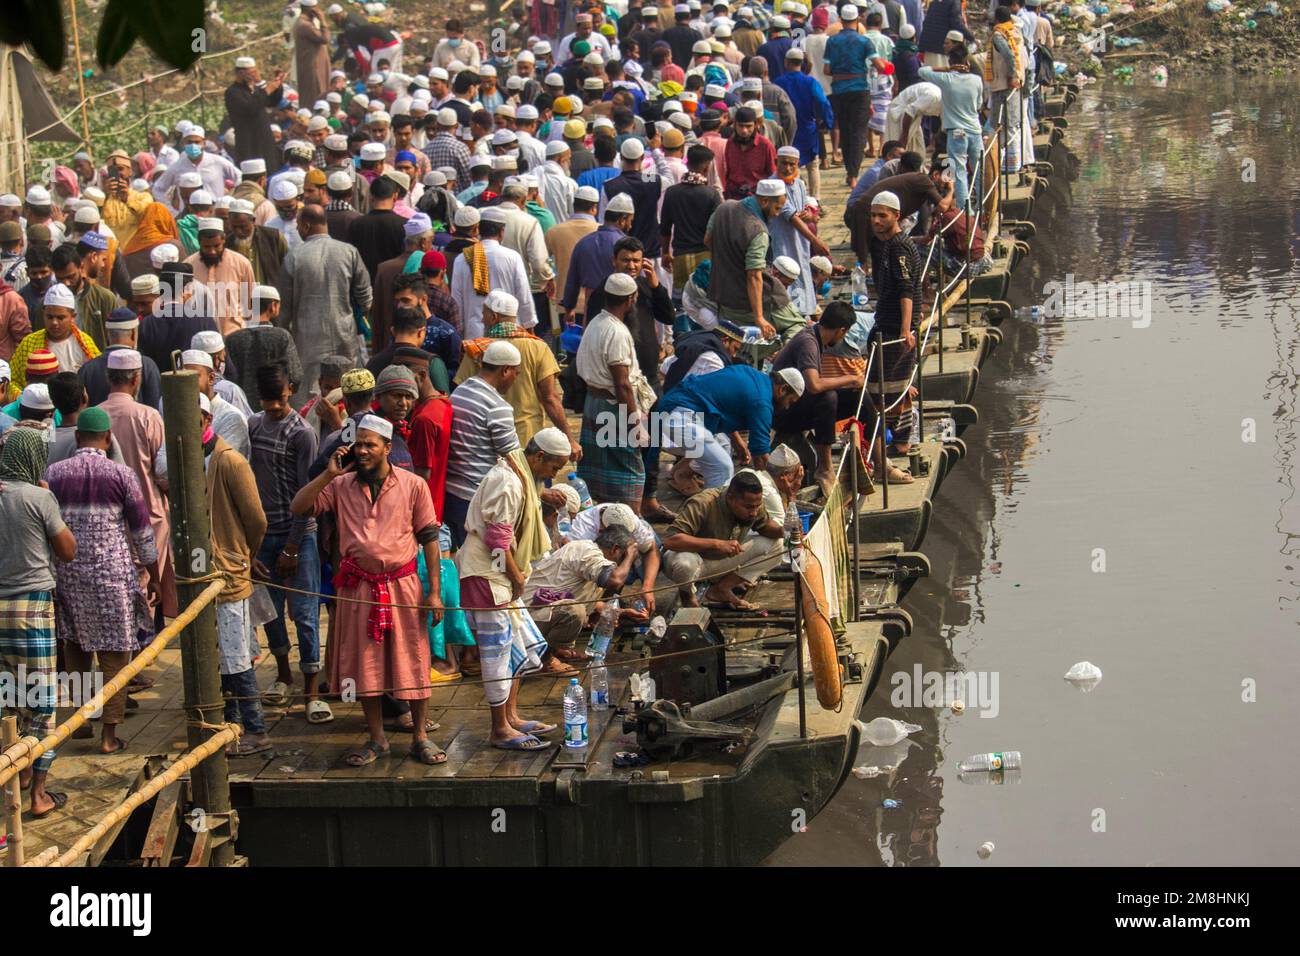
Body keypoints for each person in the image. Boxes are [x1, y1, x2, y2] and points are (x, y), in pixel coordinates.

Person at [290, 414, 445, 766]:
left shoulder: (412, 485)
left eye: (369, 445)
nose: (361, 451)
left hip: (404, 587)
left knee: (414, 661)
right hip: (358, 587)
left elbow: (431, 540)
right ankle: (377, 739)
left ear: (387, 448)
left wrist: (434, 592)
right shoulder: (340, 485)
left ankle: (420, 736)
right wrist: (329, 473)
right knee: (365, 665)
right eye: (358, 444)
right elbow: (299, 507)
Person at [45, 406, 158, 755]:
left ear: (78, 437)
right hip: (112, 575)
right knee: (115, 654)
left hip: (70, 574)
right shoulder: (121, 475)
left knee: (75, 647)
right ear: (108, 439)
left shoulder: (54, 473)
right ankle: (109, 736)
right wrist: (153, 572)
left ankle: (79, 720)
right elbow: (141, 530)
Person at [455, 429, 570, 751]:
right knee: (496, 654)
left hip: (499, 576)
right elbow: (496, 540)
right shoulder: (507, 482)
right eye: (554, 466)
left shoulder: (521, 476)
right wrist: (517, 576)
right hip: (485, 574)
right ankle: (499, 729)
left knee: (519, 642)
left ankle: (512, 716)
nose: (554, 474)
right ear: (538, 457)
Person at [0, 429, 77, 818]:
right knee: (43, 705)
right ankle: (39, 795)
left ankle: (18, 776)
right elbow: (67, 550)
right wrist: (48, 500)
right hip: (30, 610)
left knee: (7, 702)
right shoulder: (38, 497)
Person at [247, 363, 326, 718]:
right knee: (270, 611)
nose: (273, 407)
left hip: (299, 535)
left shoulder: (302, 433)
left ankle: (311, 689)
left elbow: (306, 497)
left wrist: (293, 546)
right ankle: (282, 674)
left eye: (277, 400)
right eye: (266, 401)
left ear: (290, 390)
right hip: (265, 535)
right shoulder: (253, 425)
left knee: (306, 613)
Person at [98, 348, 176, 620]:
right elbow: (163, 473)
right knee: (145, 589)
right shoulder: (148, 416)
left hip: (107, 517)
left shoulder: (96, 416)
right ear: (136, 379)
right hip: (149, 514)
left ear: (110, 379)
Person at [455, 291, 574, 454]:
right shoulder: (538, 348)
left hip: (487, 442)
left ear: (494, 318)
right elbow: (551, 399)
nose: (482, 320)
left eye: (484, 314)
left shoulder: (477, 350)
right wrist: (570, 440)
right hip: (529, 442)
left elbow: (463, 397)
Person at [576, 272, 654, 510]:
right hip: (613, 408)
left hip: (595, 402)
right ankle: (631, 520)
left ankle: (605, 517)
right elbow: (622, 384)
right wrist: (635, 424)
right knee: (631, 471)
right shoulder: (617, 332)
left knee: (598, 474)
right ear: (631, 299)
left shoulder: (594, 324)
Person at [771, 302, 865, 497]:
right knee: (827, 397)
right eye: (845, 334)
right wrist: (852, 378)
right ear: (841, 330)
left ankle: (879, 462)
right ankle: (825, 467)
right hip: (783, 411)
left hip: (795, 403)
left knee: (860, 399)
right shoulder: (808, 342)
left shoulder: (813, 337)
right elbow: (814, 385)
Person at [282, 204, 373, 403]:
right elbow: (365, 295)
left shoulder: (294, 257)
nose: (297, 230)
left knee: (308, 395)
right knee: (348, 390)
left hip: (307, 341)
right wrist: (357, 315)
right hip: (345, 335)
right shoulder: (349, 252)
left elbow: (285, 310)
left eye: (298, 225)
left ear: (306, 226)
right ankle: (347, 430)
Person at [660, 471, 784, 610]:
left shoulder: (753, 504)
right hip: (695, 561)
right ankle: (687, 596)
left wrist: (784, 531)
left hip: (718, 561)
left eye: (757, 506)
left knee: (777, 544)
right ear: (730, 498)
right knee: (684, 564)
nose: (754, 512)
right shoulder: (703, 503)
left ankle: (722, 588)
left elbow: (764, 526)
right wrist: (716, 544)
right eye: (749, 507)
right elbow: (670, 541)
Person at [527, 525, 639, 675]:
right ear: (615, 549)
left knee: (576, 608)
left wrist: (621, 612)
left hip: (537, 616)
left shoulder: (590, 556)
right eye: (623, 555)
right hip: (527, 618)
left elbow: (593, 604)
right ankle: (546, 661)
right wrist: (630, 556)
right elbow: (614, 580)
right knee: (574, 610)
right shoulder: (587, 551)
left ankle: (553, 650)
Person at [864, 191, 922, 471]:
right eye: (873, 215)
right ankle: (900, 440)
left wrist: (905, 329)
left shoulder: (899, 246)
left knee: (882, 388)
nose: (876, 220)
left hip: (895, 328)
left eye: (882, 215)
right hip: (885, 321)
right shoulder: (883, 244)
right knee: (893, 385)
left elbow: (906, 289)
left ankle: (896, 441)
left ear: (896, 216)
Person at [444, 340, 522, 547]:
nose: (517, 378)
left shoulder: (460, 391)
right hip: (477, 498)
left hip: (451, 492)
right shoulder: (498, 407)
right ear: (505, 370)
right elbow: (515, 460)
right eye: (517, 372)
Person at [704, 179, 789, 338]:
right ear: (764, 201)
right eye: (777, 208)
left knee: (731, 343)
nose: (777, 214)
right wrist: (759, 317)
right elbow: (754, 275)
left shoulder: (724, 207)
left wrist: (727, 258)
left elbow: (707, 240)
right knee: (796, 327)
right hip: (746, 303)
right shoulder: (758, 230)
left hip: (722, 294)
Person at [919, 45, 986, 212]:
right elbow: (978, 105)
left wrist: (946, 68)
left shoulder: (946, 79)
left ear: (951, 61)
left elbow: (923, 71)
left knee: (959, 172)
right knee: (979, 169)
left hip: (956, 132)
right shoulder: (976, 80)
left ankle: (966, 210)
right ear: (967, 61)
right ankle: (983, 205)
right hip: (974, 130)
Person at [449, 207, 534, 337]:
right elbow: (523, 295)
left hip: (474, 336)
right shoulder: (512, 257)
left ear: (478, 230)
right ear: (502, 232)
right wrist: (529, 324)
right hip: (507, 332)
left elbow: (457, 299)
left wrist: (459, 331)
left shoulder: (462, 259)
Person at [9, 284, 101, 392]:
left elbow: (97, 379)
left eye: (60, 317)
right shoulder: (29, 343)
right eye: (50, 317)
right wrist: (26, 398)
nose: (54, 323)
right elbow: (12, 380)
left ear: (73, 317)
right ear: (43, 314)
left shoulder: (85, 344)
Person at [559, 192, 635, 320]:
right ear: (622, 220)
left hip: (591, 310)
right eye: (630, 221)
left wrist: (569, 308)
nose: (631, 225)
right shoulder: (627, 246)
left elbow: (572, 282)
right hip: (620, 309)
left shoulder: (584, 243)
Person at [773, 48, 836, 196]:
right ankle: (816, 200)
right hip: (808, 128)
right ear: (802, 63)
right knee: (812, 166)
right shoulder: (810, 82)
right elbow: (823, 102)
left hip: (786, 131)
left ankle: (795, 198)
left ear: (786, 62)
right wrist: (827, 122)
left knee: (790, 165)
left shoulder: (778, 82)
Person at [223, 286, 303, 401]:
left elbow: (228, 377)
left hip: (241, 408)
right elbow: (295, 376)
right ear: (273, 306)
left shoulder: (233, 339)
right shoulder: (282, 336)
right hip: (275, 408)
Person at [79, 309, 162, 409]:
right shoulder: (147, 365)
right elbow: (154, 407)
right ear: (133, 334)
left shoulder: (87, 369)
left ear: (107, 334)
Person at [186, 218, 256, 336]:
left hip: (235, 333)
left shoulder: (241, 263)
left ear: (223, 240)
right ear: (199, 242)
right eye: (207, 247)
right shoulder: (188, 265)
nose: (212, 251)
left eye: (216, 246)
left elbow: (250, 302)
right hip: (200, 336)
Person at [546, 185, 601, 310]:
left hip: (565, 302)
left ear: (574, 205)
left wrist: (550, 281)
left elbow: (543, 263)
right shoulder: (602, 231)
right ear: (594, 208)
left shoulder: (554, 231)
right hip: (595, 302)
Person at [225, 58, 284, 171]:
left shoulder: (256, 90)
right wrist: (267, 90)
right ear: (241, 73)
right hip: (249, 144)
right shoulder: (233, 92)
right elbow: (250, 107)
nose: (255, 75)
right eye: (251, 72)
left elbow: (272, 101)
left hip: (265, 141)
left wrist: (277, 85)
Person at [722, 107, 777, 199]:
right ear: (734, 125)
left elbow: (773, 174)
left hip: (756, 198)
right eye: (740, 126)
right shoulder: (730, 143)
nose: (744, 131)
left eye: (748, 126)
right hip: (733, 196)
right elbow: (728, 172)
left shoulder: (765, 145)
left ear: (755, 125)